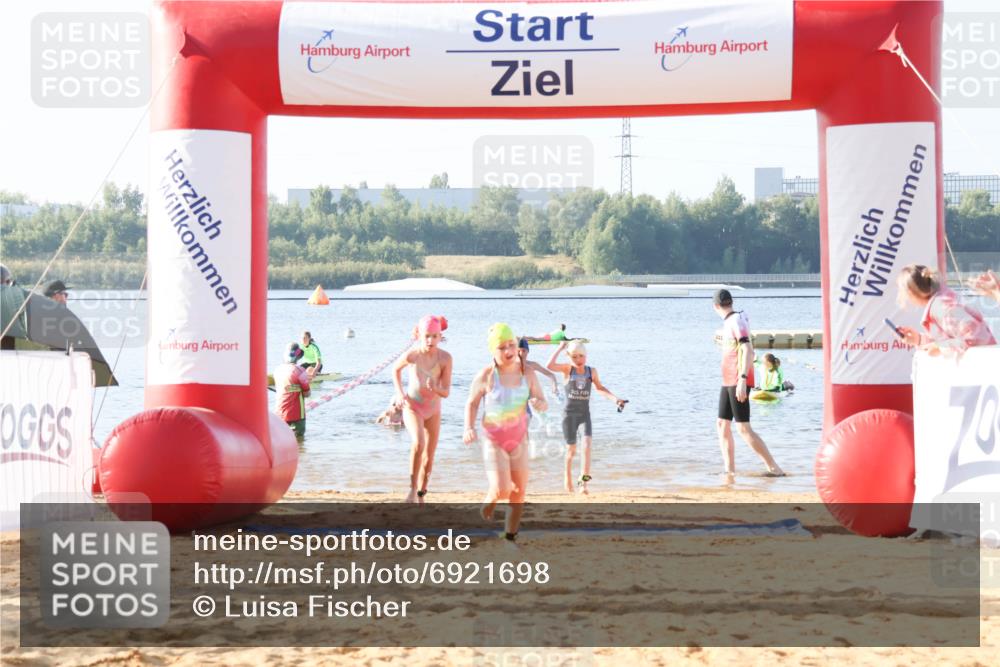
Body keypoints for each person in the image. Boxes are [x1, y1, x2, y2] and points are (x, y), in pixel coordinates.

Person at [464, 323, 547, 542]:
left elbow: (541, 399)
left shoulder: (527, 373)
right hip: (494, 439)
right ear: (492, 350)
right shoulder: (487, 375)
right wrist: (468, 427)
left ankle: (510, 535)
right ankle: (491, 497)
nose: (509, 350)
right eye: (502, 347)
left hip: (519, 438)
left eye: (511, 345)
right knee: (502, 490)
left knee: (518, 490)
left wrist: (540, 403)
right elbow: (472, 403)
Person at [712, 289, 784, 478]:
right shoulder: (732, 320)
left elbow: (748, 349)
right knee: (722, 424)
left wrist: (742, 379)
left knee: (743, 427)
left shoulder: (735, 320)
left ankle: (774, 468)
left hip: (738, 379)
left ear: (715, 306)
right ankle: (730, 471)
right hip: (728, 379)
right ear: (731, 302)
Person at [547, 339, 627, 494]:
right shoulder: (568, 369)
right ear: (569, 356)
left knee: (587, 446)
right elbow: (549, 365)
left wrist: (615, 399)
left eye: (581, 356)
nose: (578, 359)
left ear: (586, 355)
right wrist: (560, 348)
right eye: (574, 356)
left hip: (584, 416)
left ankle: (583, 484)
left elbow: (600, 388)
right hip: (569, 416)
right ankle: (567, 476)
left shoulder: (592, 372)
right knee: (571, 450)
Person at [392, 315, 453, 503]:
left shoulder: (445, 358)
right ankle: (412, 489)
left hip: (433, 410)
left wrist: (435, 388)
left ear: (440, 336)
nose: (430, 341)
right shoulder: (412, 355)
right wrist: (400, 393)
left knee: (429, 456)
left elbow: (446, 392)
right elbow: (395, 370)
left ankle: (421, 494)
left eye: (434, 336)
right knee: (419, 443)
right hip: (413, 407)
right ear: (419, 335)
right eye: (427, 336)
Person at [896, 264, 996, 354]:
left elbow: (975, 338)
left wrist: (939, 347)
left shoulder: (943, 308)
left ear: (910, 292)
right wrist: (919, 339)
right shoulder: (940, 305)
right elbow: (952, 339)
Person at [273, 342, 311, 440]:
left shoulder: (277, 370)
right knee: (299, 442)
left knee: (282, 441)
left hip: (279, 415)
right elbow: (307, 394)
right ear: (298, 357)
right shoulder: (300, 371)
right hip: (297, 416)